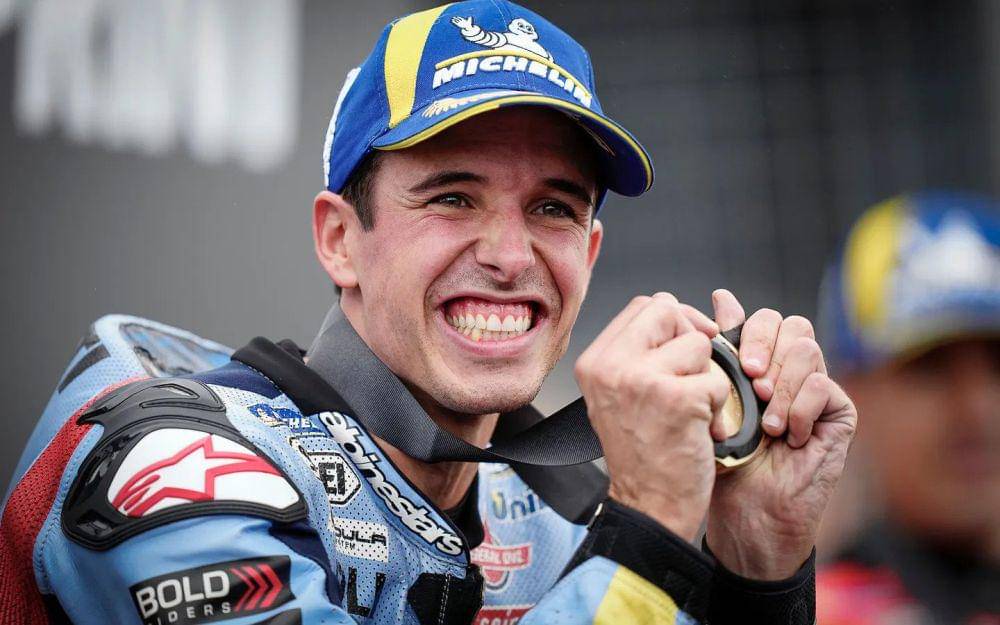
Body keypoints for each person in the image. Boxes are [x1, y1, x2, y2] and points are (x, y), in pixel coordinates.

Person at [0, 2, 856, 624]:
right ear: (340, 239)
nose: (512, 255)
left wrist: (758, 566)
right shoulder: (169, 470)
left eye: (553, 208)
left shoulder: (562, 512)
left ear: (590, 255)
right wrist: (645, 530)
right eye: (452, 196)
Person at [815, 192, 1000, 625]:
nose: (978, 408)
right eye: (931, 367)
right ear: (850, 393)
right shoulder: (813, 614)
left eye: (999, 365)